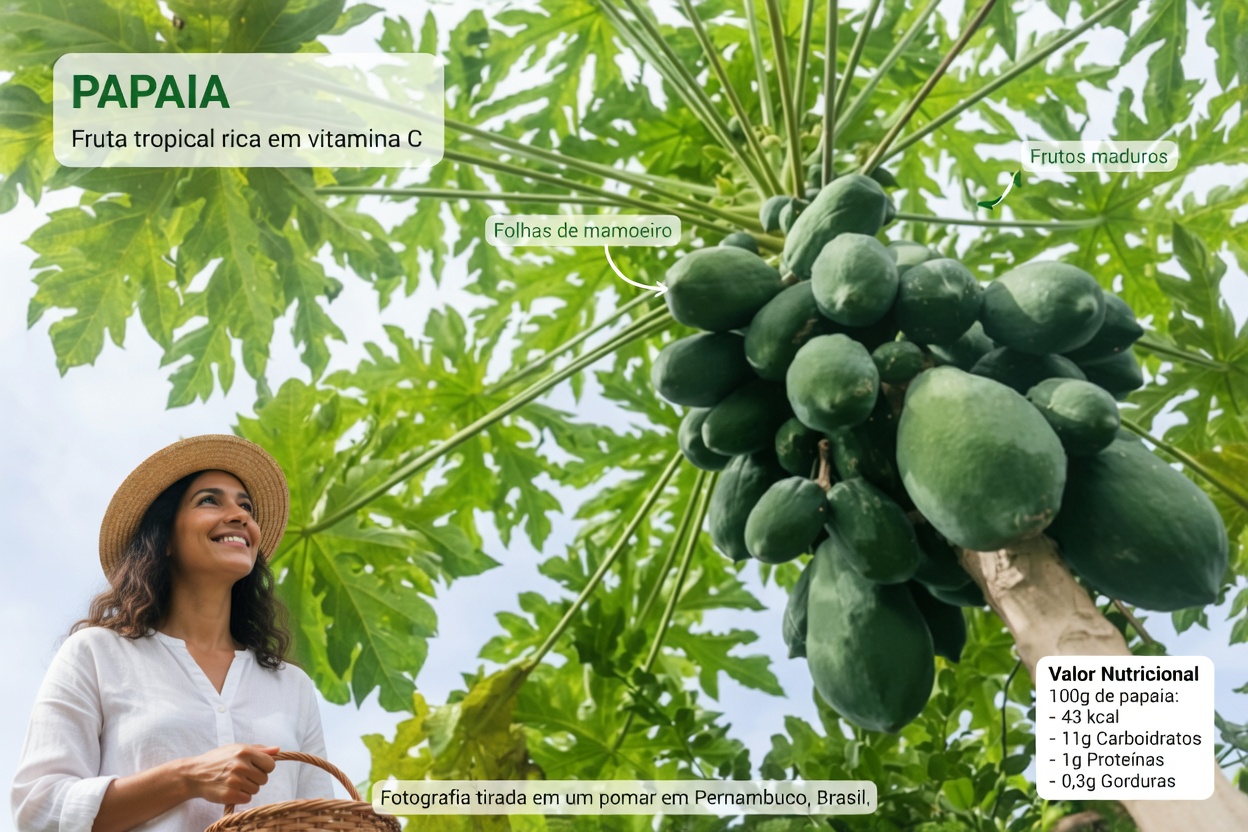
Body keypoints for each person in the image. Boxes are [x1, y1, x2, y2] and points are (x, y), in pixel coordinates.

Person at [11, 434, 334, 832]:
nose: (240, 516)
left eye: (245, 505)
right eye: (210, 500)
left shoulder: (292, 687)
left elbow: (322, 820)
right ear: (163, 539)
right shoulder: (95, 654)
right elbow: (37, 809)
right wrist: (189, 777)